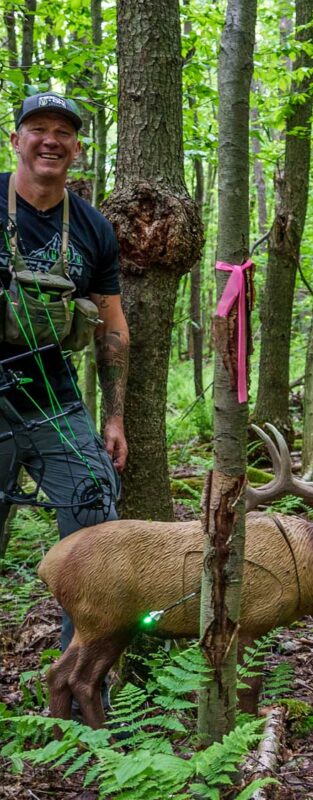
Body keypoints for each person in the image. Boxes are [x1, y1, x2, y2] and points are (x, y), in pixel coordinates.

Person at [0, 92, 129, 651]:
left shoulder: (94, 229)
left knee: (95, 518)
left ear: (76, 149)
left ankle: (80, 685)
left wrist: (116, 415)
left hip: (55, 404)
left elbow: (114, 326)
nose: (50, 139)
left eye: (63, 132)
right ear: (16, 141)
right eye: (37, 128)